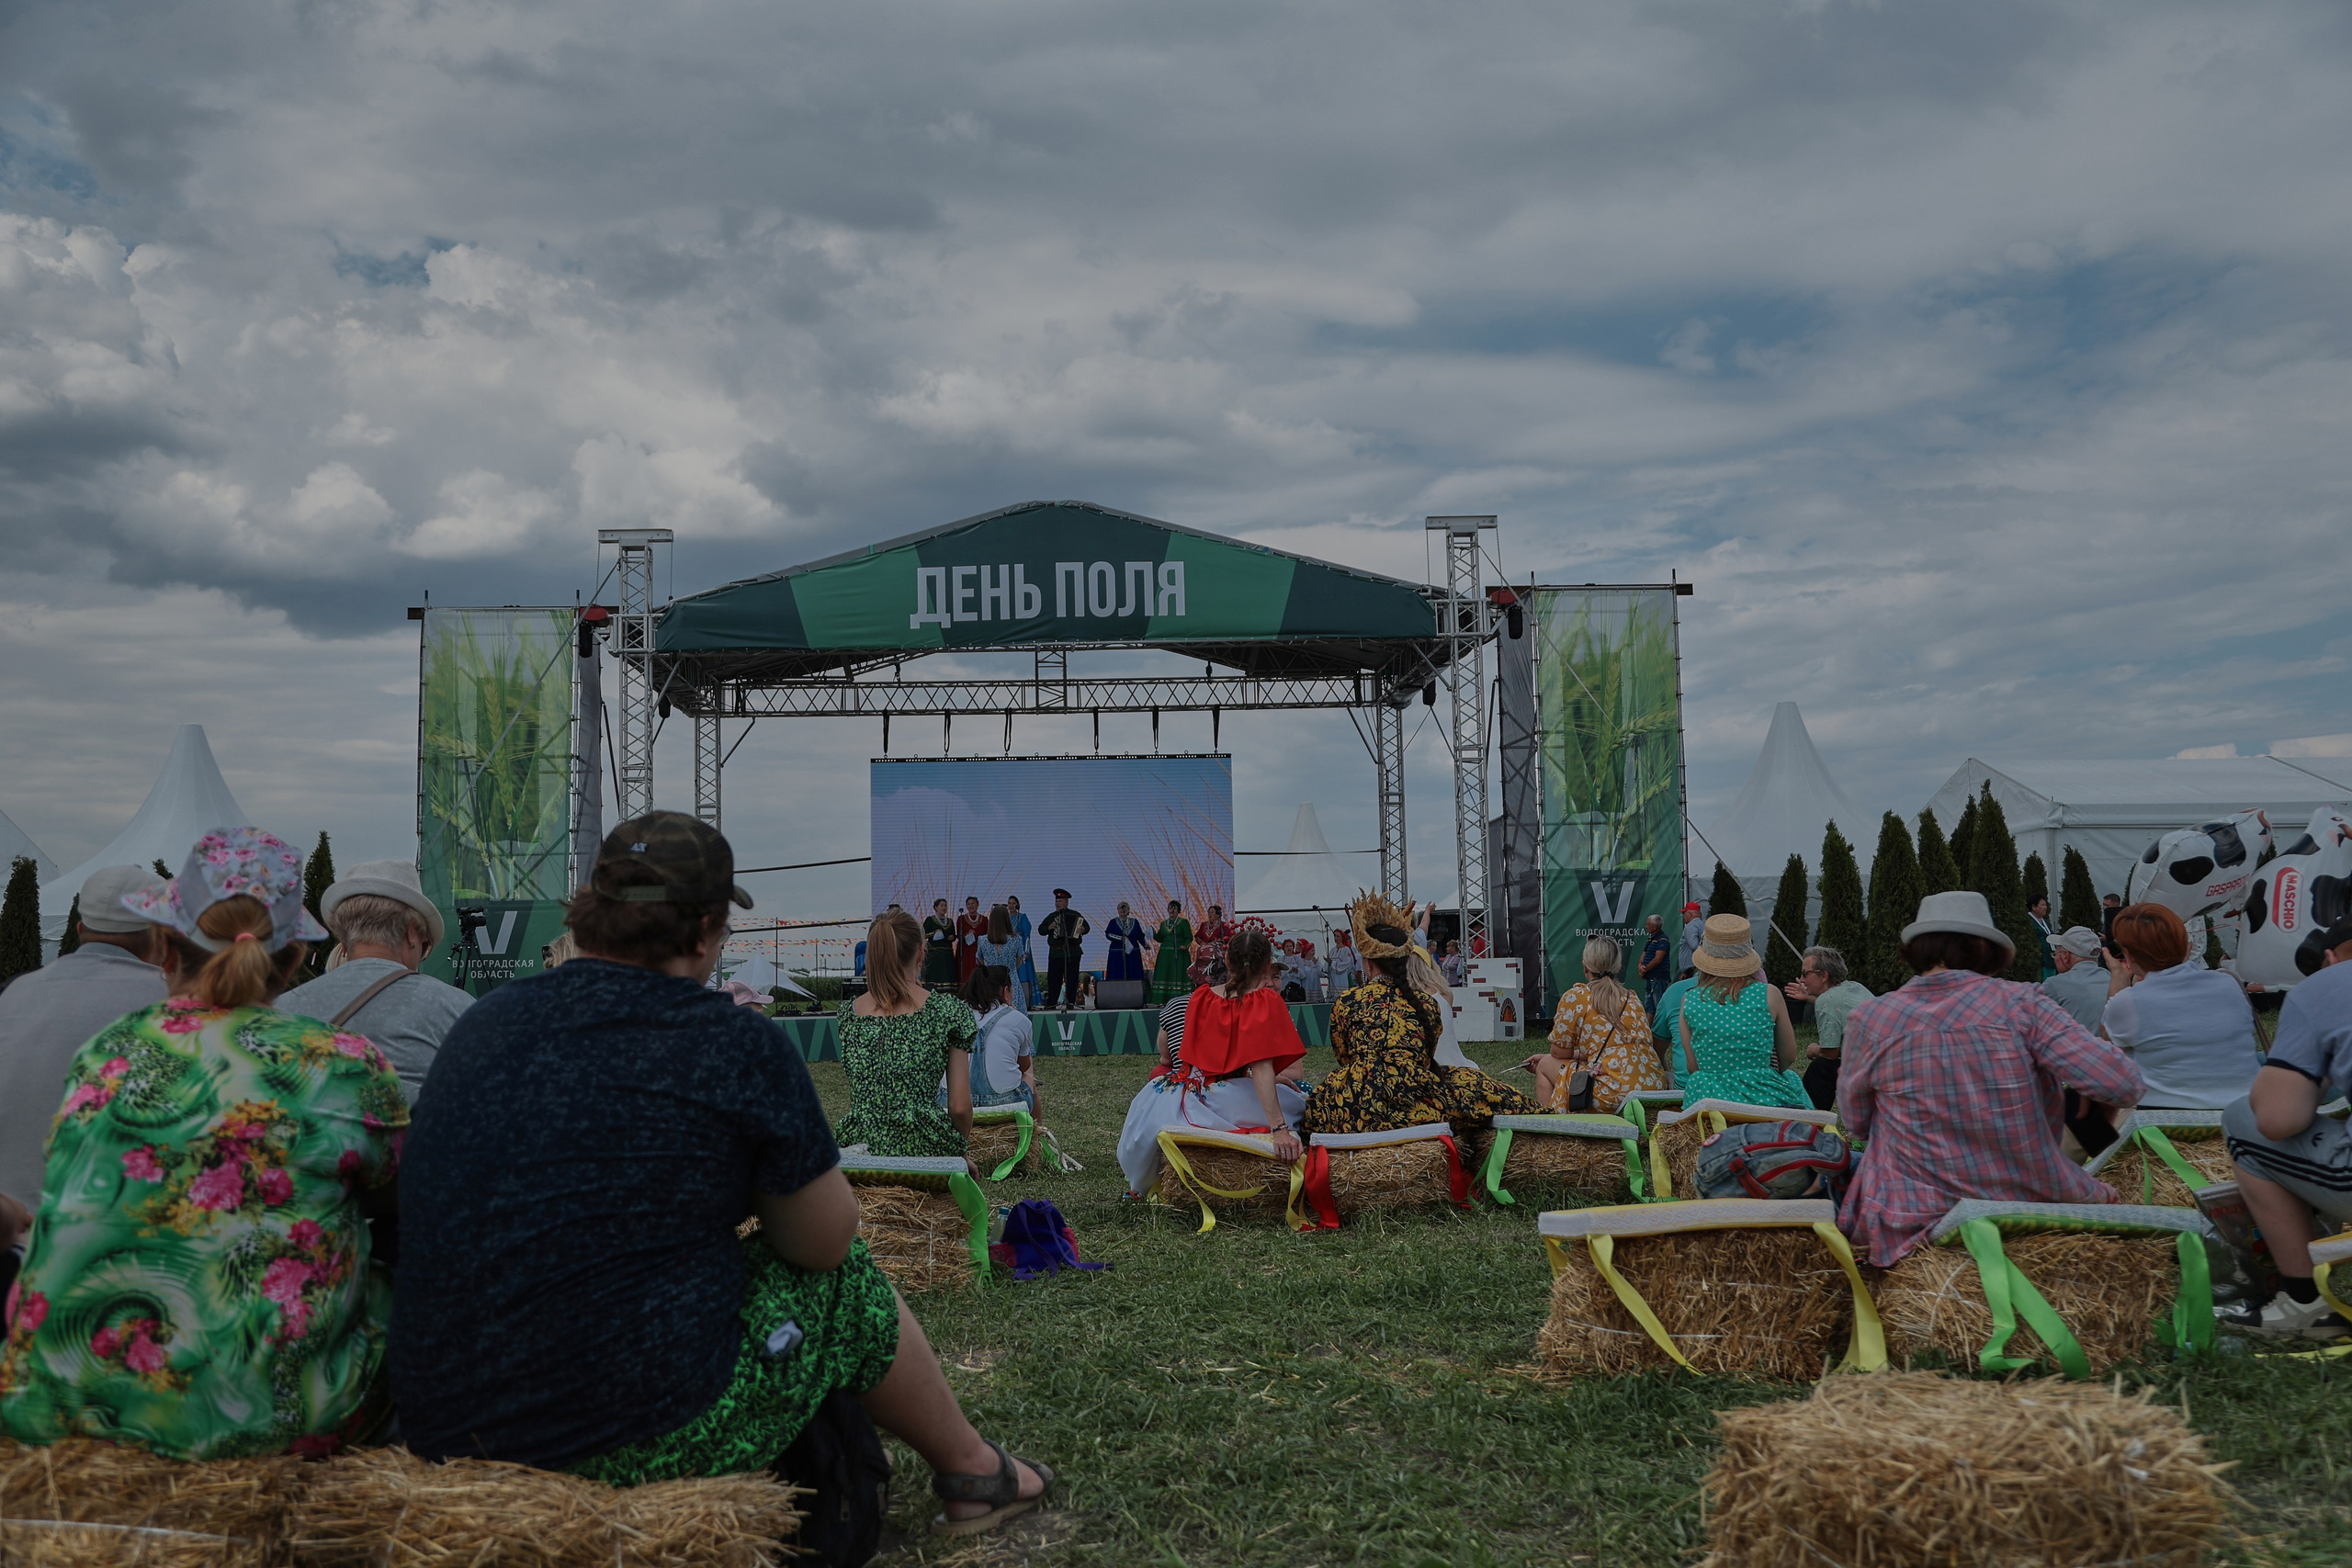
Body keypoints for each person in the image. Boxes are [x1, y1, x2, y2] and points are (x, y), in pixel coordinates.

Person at [389, 813, 1051, 1530]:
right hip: (612, 1439)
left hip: (444, 1437)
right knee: (848, 1282)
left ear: (593, 912)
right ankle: (976, 1475)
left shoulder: (479, 1026)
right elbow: (825, 1241)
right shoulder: (729, 1039)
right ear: (704, 929)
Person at [0, 829, 404, 1460]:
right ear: (295, 959)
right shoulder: (345, 1063)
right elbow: (399, 1195)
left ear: (163, 946)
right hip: (274, 1421)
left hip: (68, 1401)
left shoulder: (106, 1051)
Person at [1834, 891, 2146, 1266]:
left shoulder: (1870, 1018)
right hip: (2026, 1205)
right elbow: (2121, 1083)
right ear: (1987, 950)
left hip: (1910, 1220)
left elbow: (1856, 1123)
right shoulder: (2023, 1004)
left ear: (1914, 949)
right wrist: (2087, 1115)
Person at [0, 866, 169, 1210]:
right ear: (162, 936)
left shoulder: (14, 993)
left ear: (79, 929)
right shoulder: (176, 1008)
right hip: (102, 1238)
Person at [1303, 896, 1539, 1140]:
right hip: (1417, 1101)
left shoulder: (1347, 1001)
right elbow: (1426, 1060)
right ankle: (1551, 1121)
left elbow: (1344, 1057)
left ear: (1369, 964)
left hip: (1358, 1102)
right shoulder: (1427, 1003)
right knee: (1478, 1087)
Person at [2219, 913, 2352, 1339]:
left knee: (2242, 1118)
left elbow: (2277, 1120)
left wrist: (2320, 1070)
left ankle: (2302, 1303)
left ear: (2330, 957)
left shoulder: (2324, 988)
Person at [1114, 931, 1309, 1196]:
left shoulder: (1201, 997)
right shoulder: (1264, 1001)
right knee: (1302, 1105)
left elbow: (1196, 1058)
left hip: (1174, 1095)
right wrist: (1279, 1130)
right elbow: (1261, 1067)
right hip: (1219, 1098)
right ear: (1266, 967)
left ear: (1227, 961)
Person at [278, 859, 472, 1103]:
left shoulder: (281, 1009)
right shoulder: (457, 1008)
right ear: (412, 933)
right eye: (425, 947)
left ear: (345, 940)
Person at [836, 910, 976, 1159]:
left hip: (859, 1151)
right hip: (925, 1149)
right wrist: (959, 1155)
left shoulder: (850, 1013)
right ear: (921, 951)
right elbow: (960, 1107)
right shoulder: (948, 1011)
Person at [2099, 903, 2262, 1111]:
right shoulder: (2229, 982)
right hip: (2242, 1108)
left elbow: (2108, 1045)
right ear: (2187, 945)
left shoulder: (2129, 1001)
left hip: (2164, 1115)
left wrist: (2118, 977)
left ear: (2128, 955)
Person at [1673, 915, 1809, 1110]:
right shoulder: (1770, 994)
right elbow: (1788, 1056)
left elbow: (1693, 1067)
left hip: (1708, 1100)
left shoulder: (1690, 999)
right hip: (1764, 1099)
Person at [1521, 934, 1666, 1114]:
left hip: (1613, 1093)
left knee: (1545, 1064)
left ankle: (1550, 1131)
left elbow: (1558, 1052)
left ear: (1584, 967)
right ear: (1619, 967)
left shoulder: (1576, 997)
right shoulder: (1633, 998)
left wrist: (1545, 1057)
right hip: (1652, 1089)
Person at [1782, 945, 1872, 1112]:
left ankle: (1810, 1119)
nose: (1801, 980)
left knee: (1821, 1067)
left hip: (1871, 1071)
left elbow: (1830, 1053)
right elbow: (1839, 1006)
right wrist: (1810, 997)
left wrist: (1814, 1050)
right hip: (1887, 1062)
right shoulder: (1855, 987)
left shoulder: (1826, 1001)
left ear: (1824, 975)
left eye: (1805, 974)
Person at [951, 965, 1035, 1117]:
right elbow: (1024, 1066)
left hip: (953, 1100)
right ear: (1005, 991)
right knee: (1029, 1074)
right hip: (1004, 1101)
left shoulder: (951, 1013)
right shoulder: (1018, 1019)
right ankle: (1036, 1133)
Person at [2041, 926, 2110, 1033]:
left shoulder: (2054, 985)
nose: (2055, 958)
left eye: (2056, 953)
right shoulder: (2112, 979)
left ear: (2066, 956)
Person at [1648, 967, 1702, 1089]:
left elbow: (1656, 1052)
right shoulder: (1754, 994)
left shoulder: (1683, 995)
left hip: (1689, 1090)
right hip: (1746, 1094)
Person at [1038, 891, 1091, 1013]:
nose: (1058, 903)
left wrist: (1082, 929)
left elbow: (1086, 927)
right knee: (1053, 979)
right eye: (1056, 901)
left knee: (1072, 978)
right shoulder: (1051, 916)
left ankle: (1070, 1003)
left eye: (1060, 901)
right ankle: (1052, 1003)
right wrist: (1049, 927)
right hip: (1056, 953)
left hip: (1072, 952)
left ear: (1066, 902)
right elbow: (1041, 930)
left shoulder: (1075, 915)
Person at [1149, 900, 1193, 1005]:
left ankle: (1180, 1000)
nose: (1172, 910)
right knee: (1164, 974)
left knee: (1177, 975)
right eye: (1170, 908)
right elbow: (1160, 938)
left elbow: (1189, 937)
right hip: (1165, 955)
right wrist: (1153, 933)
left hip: (1179, 954)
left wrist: (1185, 946)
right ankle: (1161, 1000)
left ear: (1178, 911)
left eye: (1174, 908)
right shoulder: (1164, 923)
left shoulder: (1183, 922)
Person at [1004, 894, 1038, 1010]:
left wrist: (1026, 951)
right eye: (1009, 903)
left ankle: (1027, 1000)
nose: (1011, 905)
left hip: (1022, 950)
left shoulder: (1022, 917)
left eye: (1014, 903)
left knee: (1023, 974)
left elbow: (1027, 935)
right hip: (1009, 952)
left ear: (1017, 905)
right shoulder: (1005, 918)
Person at [1104, 902, 1150, 985]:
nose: (1123, 910)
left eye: (1125, 908)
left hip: (1133, 954)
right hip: (1117, 954)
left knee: (1133, 972)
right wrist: (1122, 939)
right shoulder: (1113, 922)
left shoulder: (1134, 922)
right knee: (1117, 973)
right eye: (1120, 908)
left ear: (1128, 910)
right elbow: (1109, 934)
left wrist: (1144, 944)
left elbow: (1140, 935)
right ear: (1118, 910)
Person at [974, 904, 1024, 980]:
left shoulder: (982, 940)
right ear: (1007, 919)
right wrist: (1011, 969)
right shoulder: (1016, 939)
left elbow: (980, 959)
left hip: (991, 981)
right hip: (1011, 982)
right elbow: (1019, 962)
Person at [922, 899, 959, 987]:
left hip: (947, 954)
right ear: (936, 907)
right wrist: (934, 933)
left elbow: (953, 935)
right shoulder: (930, 920)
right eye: (941, 905)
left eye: (945, 905)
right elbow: (923, 934)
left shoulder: (950, 921)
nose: (944, 907)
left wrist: (952, 937)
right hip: (934, 954)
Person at [1638, 914, 1671, 1014]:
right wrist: (1640, 966)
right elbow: (1644, 954)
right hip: (1650, 978)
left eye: (1647, 924)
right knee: (1649, 1007)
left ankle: (1661, 1029)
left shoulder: (1663, 939)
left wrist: (1645, 969)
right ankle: (1649, 1030)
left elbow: (1658, 959)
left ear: (1654, 927)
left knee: (1659, 1007)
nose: (1646, 926)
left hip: (1659, 978)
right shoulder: (1651, 939)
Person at [1194, 905, 1236, 976]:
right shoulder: (1204, 925)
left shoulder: (1223, 926)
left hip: (1218, 954)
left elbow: (1230, 937)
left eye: (1212, 912)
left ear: (1218, 914)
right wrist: (1202, 943)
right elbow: (1198, 936)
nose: (1210, 914)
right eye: (1209, 912)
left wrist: (1218, 943)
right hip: (1205, 953)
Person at [955, 897, 986, 985]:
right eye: (968, 904)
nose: (971, 905)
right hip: (965, 951)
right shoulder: (961, 919)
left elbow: (987, 936)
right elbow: (958, 936)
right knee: (965, 973)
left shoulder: (984, 920)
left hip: (979, 950)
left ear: (978, 904)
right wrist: (967, 934)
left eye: (973, 903)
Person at [2028, 893, 2056, 978]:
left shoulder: (2045, 922)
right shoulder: (2029, 922)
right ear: (2034, 907)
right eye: (2043, 905)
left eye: (2046, 905)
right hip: (2039, 961)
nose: (2045, 907)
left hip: (2050, 960)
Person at [1677, 900, 1705, 977]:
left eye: (1684, 914)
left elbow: (1693, 946)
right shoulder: (1703, 925)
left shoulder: (1691, 926)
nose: (1683, 917)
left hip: (1692, 969)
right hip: (1699, 968)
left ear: (1690, 914)